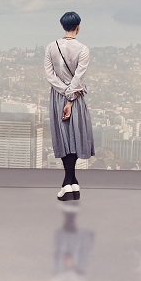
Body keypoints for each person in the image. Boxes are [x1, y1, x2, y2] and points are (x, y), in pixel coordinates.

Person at [45, 10, 94, 199]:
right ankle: (71, 183)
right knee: (74, 137)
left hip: (57, 97)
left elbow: (50, 76)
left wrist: (63, 94)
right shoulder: (83, 50)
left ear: (63, 26)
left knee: (64, 138)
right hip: (75, 97)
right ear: (78, 27)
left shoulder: (51, 47)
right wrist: (71, 99)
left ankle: (69, 184)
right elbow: (79, 77)